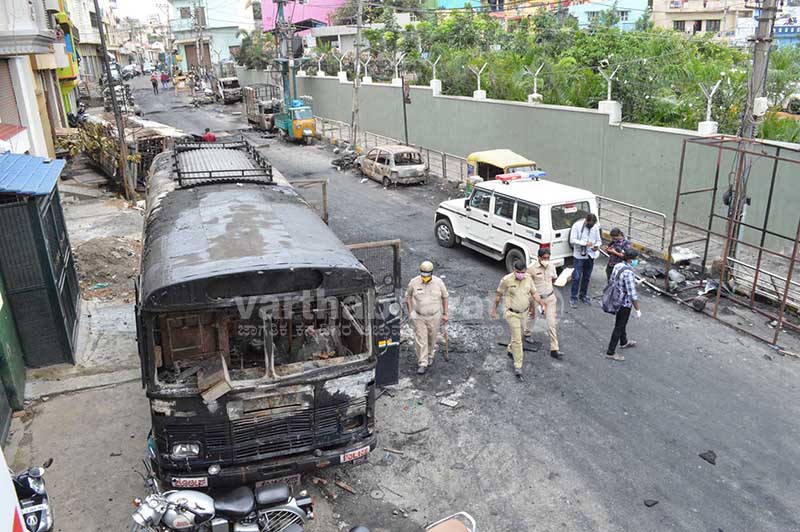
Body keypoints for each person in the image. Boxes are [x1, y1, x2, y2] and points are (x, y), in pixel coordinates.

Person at [491, 261, 547, 381]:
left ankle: (510, 349)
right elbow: (498, 295)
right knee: (518, 340)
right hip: (512, 314)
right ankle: (518, 366)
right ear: (514, 270)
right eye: (518, 272)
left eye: (522, 272)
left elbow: (534, 294)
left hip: (524, 313)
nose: (520, 274)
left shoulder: (528, 279)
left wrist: (541, 304)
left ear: (525, 271)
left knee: (519, 335)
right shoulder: (506, 280)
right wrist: (494, 309)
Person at [405, 261, 449, 375]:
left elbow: (445, 297)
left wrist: (445, 314)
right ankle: (422, 362)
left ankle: (430, 355)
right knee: (421, 339)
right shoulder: (414, 282)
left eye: (427, 275)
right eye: (423, 275)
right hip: (419, 316)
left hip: (434, 316)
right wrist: (411, 312)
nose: (425, 278)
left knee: (432, 338)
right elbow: (408, 297)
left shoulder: (438, 283)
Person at [525, 248, 564, 360]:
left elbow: (554, 280)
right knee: (532, 316)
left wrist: (565, 279)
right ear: (539, 257)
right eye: (544, 258)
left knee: (551, 323)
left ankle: (554, 349)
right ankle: (527, 333)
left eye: (548, 258)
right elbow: (527, 285)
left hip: (550, 298)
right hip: (536, 299)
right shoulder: (531, 269)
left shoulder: (551, 266)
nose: (546, 260)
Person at [606, 249, 642, 361]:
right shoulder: (628, 273)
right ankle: (610, 352)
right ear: (630, 260)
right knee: (619, 325)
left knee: (622, 322)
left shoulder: (618, 266)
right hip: (624, 303)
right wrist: (638, 309)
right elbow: (632, 295)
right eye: (636, 259)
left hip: (616, 298)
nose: (637, 261)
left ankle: (623, 341)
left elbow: (613, 280)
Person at [569, 213, 602, 307]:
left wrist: (596, 246)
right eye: (590, 224)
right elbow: (572, 240)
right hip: (579, 256)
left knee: (587, 277)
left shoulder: (595, 227)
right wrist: (584, 244)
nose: (591, 226)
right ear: (586, 221)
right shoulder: (577, 226)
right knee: (576, 277)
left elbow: (598, 240)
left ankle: (583, 295)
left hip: (590, 255)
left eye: (593, 225)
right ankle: (573, 297)